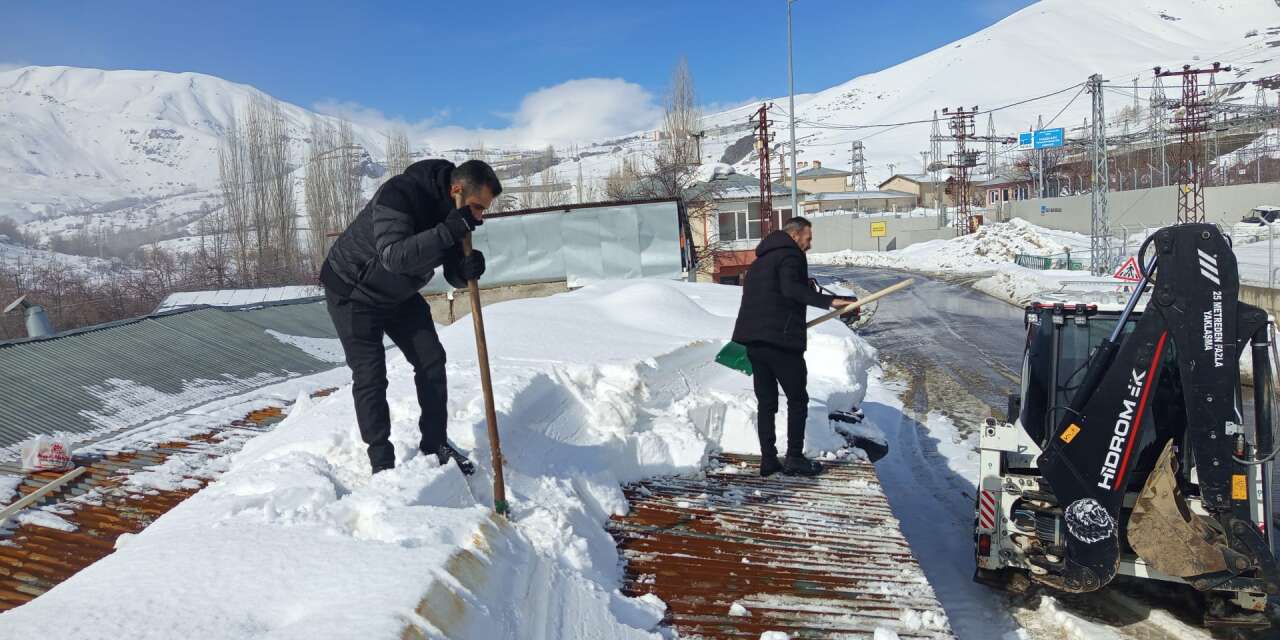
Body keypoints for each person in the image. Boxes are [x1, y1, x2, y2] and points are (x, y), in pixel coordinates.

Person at [319, 159, 501, 475]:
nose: (479, 217)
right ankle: (382, 464)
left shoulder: (457, 215)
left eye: (483, 210)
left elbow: (454, 271)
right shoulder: (401, 193)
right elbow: (394, 256)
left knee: (431, 359)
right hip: (353, 290)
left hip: (398, 293)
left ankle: (435, 444)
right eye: (477, 207)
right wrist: (448, 230)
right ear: (456, 189)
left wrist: (467, 268)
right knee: (370, 375)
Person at [731, 216, 856, 477]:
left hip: (753, 341)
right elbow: (791, 289)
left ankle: (768, 460)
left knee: (766, 403)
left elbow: (769, 296)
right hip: (781, 341)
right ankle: (794, 458)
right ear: (796, 235)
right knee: (797, 399)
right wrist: (830, 301)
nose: (809, 245)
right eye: (808, 238)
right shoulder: (791, 255)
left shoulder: (760, 262)